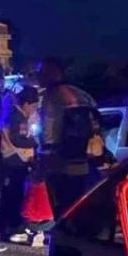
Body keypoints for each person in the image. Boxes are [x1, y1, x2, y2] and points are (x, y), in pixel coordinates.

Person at [35, 58, 101, 214]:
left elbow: (48, 134)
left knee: (62, 211)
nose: (38, 77)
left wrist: (42, 165)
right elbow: (97, 125)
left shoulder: (50, 98)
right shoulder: (82, 95)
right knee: (80, 209)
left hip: (59, 166)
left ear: (51, 74)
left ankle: (62, 236)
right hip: (85, 163)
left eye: (41, 73)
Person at [0, 86, 41, 244]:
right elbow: (18, 139)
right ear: (26, 104)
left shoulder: (13, 115)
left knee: (9, 195)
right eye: (33, 106)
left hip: (11, 160)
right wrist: (35, 142)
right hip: (15, 161)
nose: (34, 110)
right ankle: (11, 227)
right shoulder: (18, 117)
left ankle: (3, 227)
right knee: (14, 196)